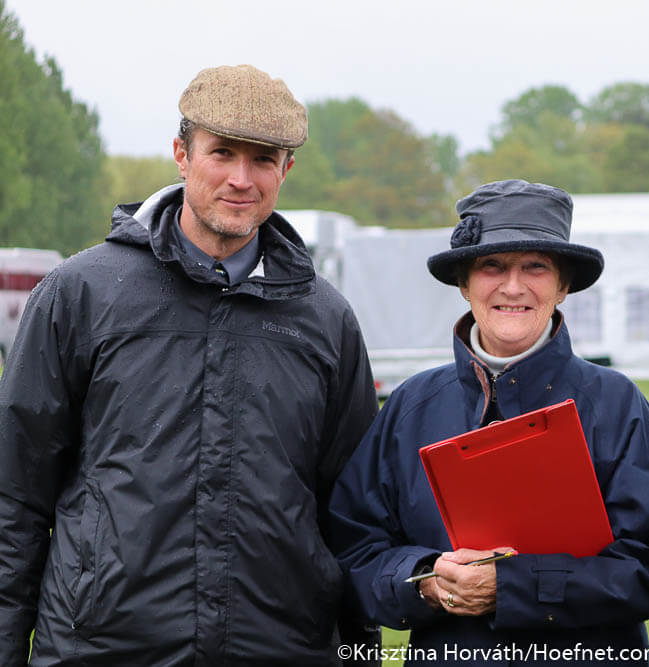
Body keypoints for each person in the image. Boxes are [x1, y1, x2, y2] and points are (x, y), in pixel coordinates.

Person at [0, 65, 378, 665]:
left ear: (286, 170)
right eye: (222, 153)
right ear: (182, 154)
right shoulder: (81, 294)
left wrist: (362, 651)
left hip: (280, 647)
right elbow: (15, 494)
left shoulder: (326, 320)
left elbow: (354, 516)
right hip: (103, 649)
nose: (240, 179)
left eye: (263, 160)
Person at [329, 179, 649, 665]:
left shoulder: (614, 402)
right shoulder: (411, 406)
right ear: (464, 284)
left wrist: (512, 587)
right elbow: (353, 549)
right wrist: (426, 580)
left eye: (535, 266)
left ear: (562, 286)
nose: (513, 286)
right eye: (491, 266)